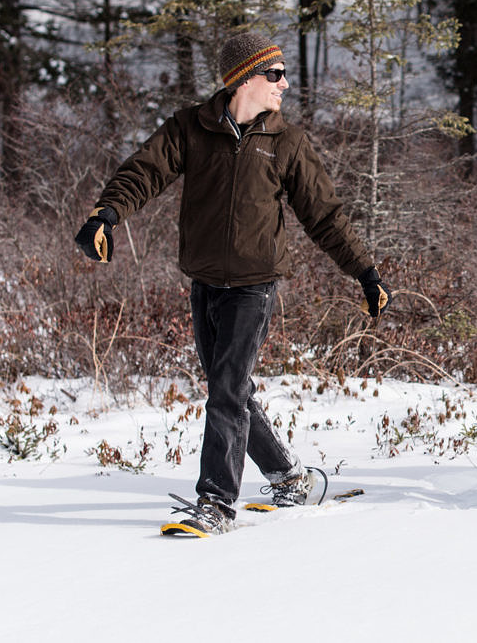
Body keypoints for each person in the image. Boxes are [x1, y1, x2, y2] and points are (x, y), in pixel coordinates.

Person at [73, 31, 391, 535]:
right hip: (204, 281)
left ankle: (216, 502)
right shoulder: (191, 128)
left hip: (254, 285)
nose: (284, 83)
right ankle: (289, 478)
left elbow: (325, 217)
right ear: (245, 79)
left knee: (226, 389)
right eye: (275, 74)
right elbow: (144, 172)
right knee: (231, 389)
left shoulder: (286, 142)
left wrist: (365, 273)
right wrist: (106, 215)